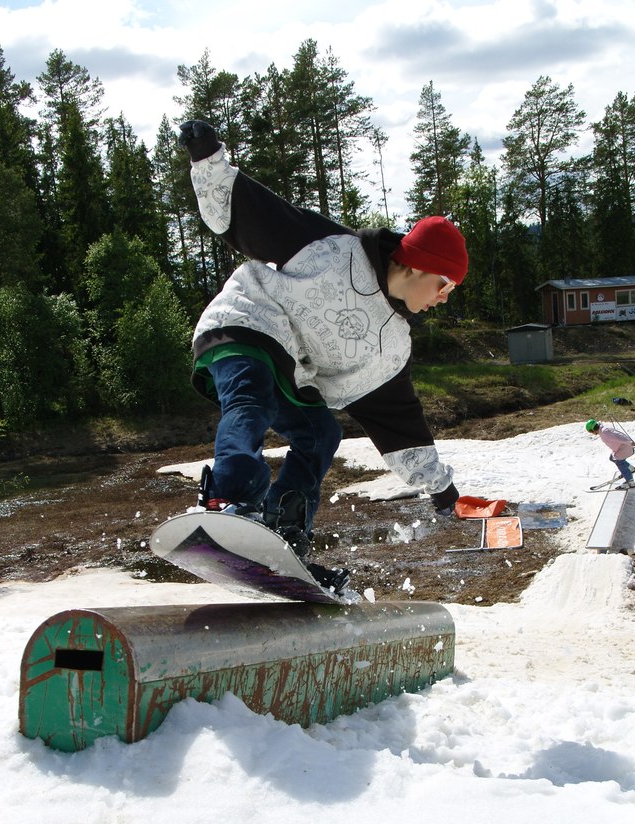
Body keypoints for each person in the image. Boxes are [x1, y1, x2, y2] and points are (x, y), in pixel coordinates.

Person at [178, 119, 466, 582]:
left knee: (321, 433)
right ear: (416, 266)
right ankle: (227, 500)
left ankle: (284, 533)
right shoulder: (334, 251)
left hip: (292, 371)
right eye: (444, 284)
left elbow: (402, 425)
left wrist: (443, 490)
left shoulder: (391, 346)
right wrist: (206, 155)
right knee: (251, 398)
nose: (445, 296)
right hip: (245, 324)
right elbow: (253, 212)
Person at [585, 419, 635, 489]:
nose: (592, 433)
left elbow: (619, 436)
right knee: (612, 458)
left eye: (590, 431)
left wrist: (631, 443)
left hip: (625, 447)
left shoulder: (605, 432)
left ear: (592, 430)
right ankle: (630, 469)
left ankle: (631, 482)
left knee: (619, 461)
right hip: (622, 448)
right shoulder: (603, 430)